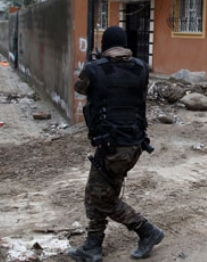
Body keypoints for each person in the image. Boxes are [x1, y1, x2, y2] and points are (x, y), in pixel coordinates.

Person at [68, 26, 164, 261]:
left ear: (105, 45)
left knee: (100, 197)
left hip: (112, 146)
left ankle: (146, 231)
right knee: (100, 190)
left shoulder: (94, 69)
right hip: (134, 143)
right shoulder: (141, 68)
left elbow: (79, 88)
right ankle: (93, 246)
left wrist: (95, 62)